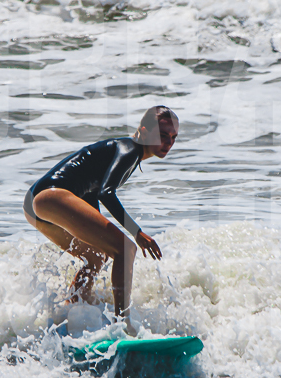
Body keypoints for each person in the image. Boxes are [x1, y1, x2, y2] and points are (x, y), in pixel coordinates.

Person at [23, 106, 179, 326]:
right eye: (163, 135)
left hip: (34, 205)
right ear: (144, 131)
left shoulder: (127, 153)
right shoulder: (129, 150)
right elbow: (106, 192)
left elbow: (91, 190)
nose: (169, 142)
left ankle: (73, 312)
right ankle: (122, 325)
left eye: (173, 137)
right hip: (51, 196)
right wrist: (136, 232)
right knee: (125, 249)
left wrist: (98, 228)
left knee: (97, 255)